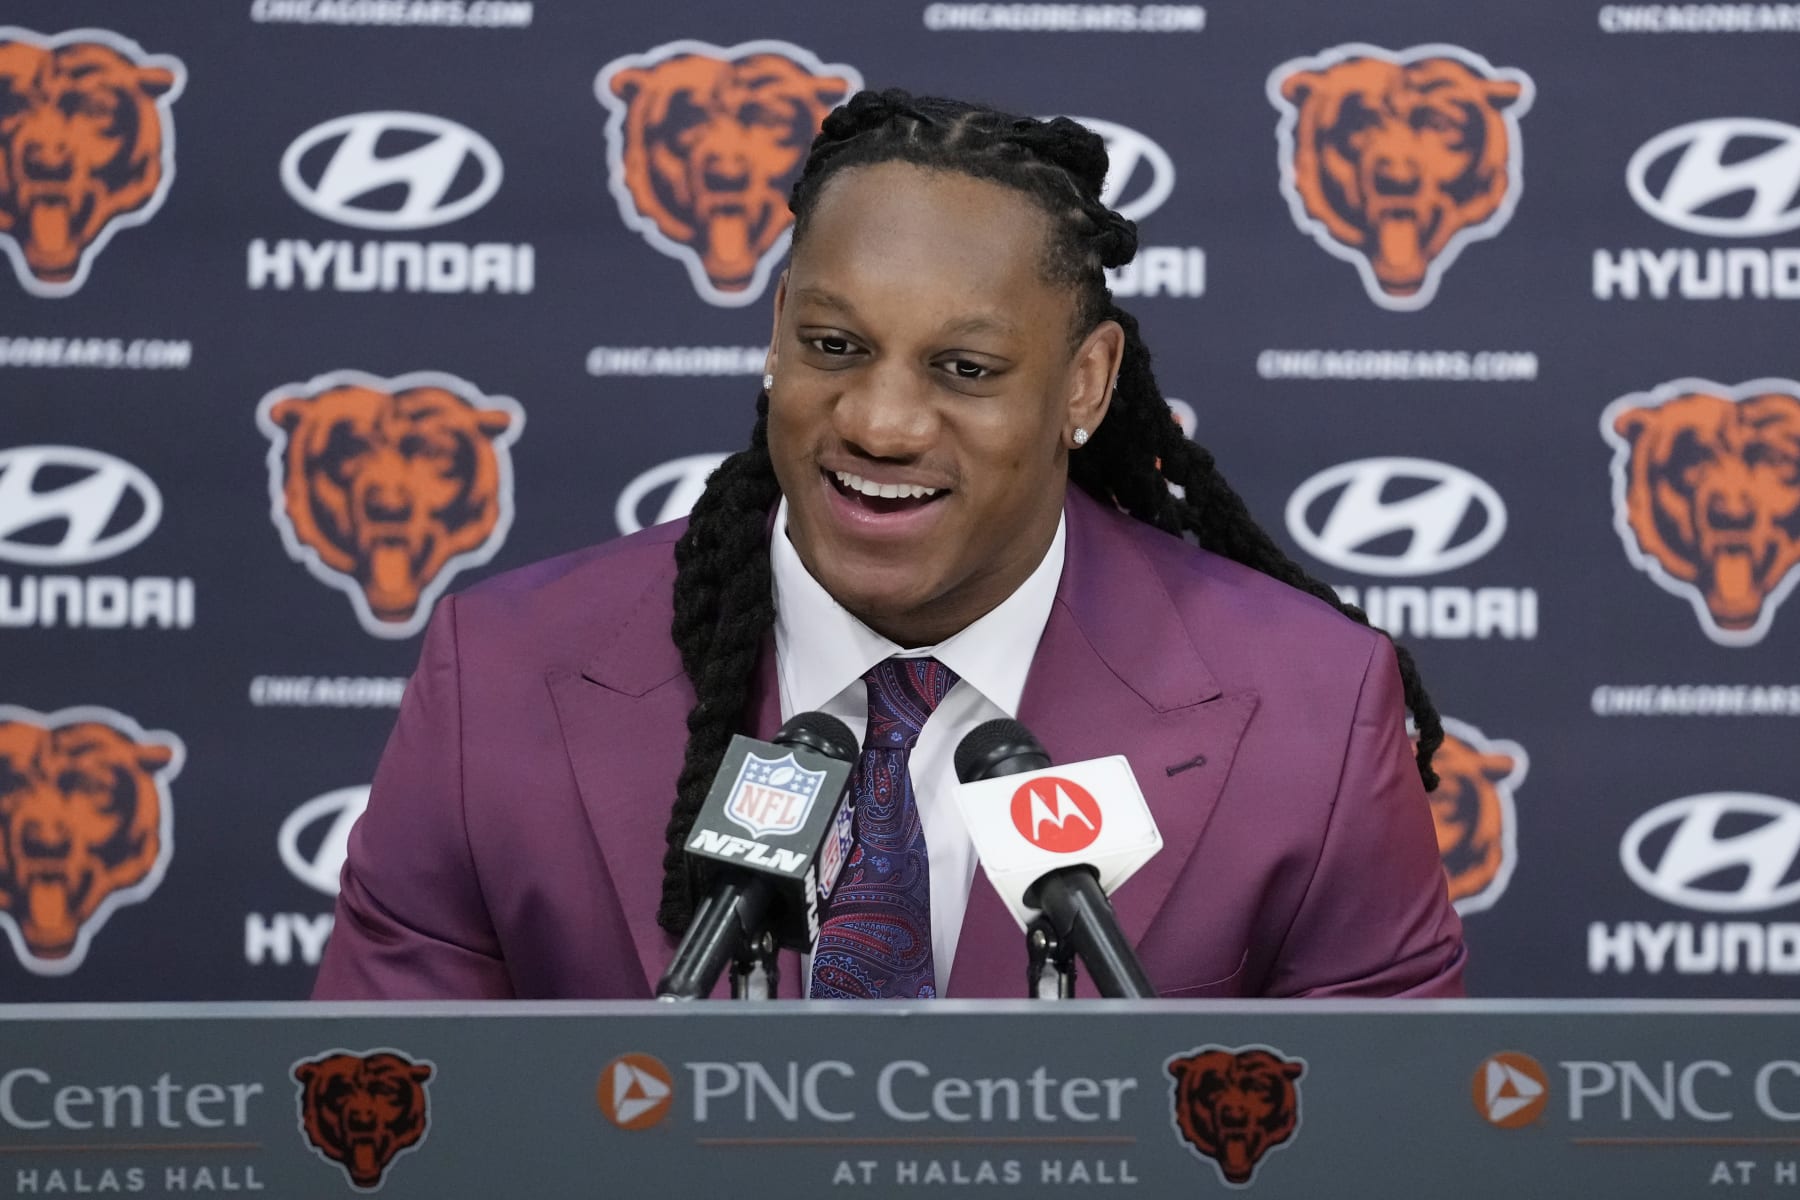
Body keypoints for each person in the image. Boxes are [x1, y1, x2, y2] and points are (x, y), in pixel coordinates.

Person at [312, 90, 1465, 1001]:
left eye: (964, 369)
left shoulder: (1311, 712)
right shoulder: (502, 676)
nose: (880, 422)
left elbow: (1380, 1153)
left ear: (1086, 384)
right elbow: (396, 1134)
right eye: (833, 345)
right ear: (776, 335)